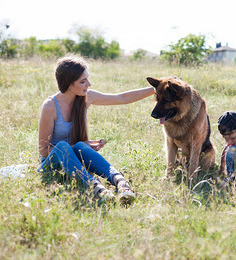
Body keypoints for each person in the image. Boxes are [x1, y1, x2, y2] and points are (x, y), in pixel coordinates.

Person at [38, 55, 155, 203]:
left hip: (75, 162)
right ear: (68, 83)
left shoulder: (86, 97)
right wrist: (73, 146)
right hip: (51, 165)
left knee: (80, 146)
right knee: (63, 147)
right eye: (83, 81)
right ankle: (96, 188)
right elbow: (43, 150)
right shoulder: (50, 106)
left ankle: (121, 182)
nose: (89, 84)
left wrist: (156, 88)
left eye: (87, 79)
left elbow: (122, 98)